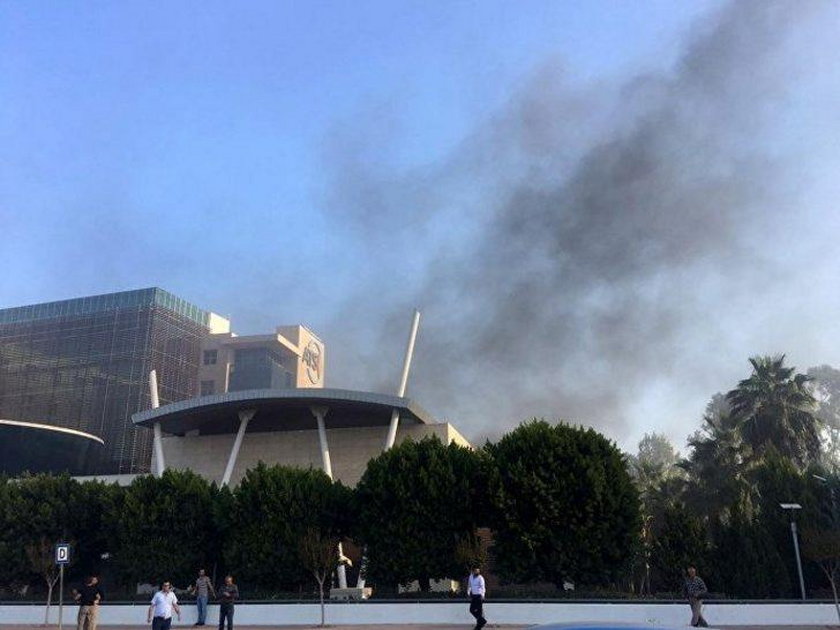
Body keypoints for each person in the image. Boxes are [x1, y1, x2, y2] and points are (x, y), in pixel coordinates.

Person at [466, 566, 487, 630]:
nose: (477, 572)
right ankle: (482, 621)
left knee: (479, 611)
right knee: (471, 610)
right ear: (473, 571)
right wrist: (468, 592)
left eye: (478, 571)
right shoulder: (471, 576)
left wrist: (483, 595)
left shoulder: (481, 578)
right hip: (473, 596)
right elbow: (469, 585)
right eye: (476, 571)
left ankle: (478, 627)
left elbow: (483, 587)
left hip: (479, 596)